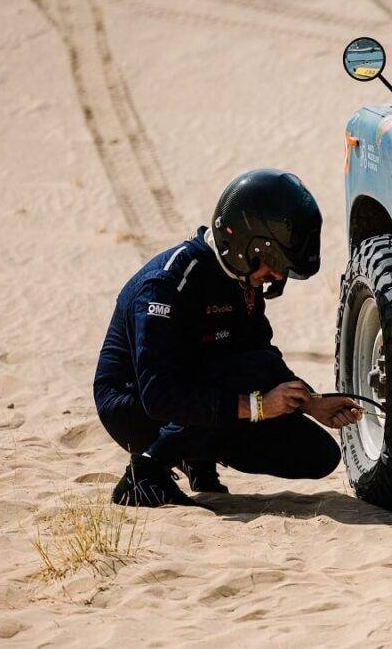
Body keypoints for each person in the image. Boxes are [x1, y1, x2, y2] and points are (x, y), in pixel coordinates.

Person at [93, 169, 363, 508]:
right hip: (133, 405)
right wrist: (257, 407)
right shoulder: (167, 284)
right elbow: (158, 394)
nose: (277, 276)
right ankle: (146, 472)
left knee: (318, 455)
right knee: (248, 370)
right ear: (244, 245)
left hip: (204, 390)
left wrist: (312, 403)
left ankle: (196, 458)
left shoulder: (244, 282)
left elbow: (262, 356)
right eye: (274, 263)